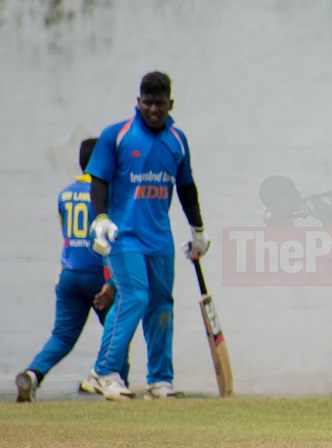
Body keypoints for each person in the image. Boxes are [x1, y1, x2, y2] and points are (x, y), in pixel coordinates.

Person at [86, 71, 210, 401]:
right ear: (138, 102)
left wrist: (198, 230)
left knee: (161, 305)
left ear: (171, 104)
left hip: (160, 239)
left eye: (160, 104)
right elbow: (99, 180)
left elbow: (186, 188)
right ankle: (104, 372)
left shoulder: (177, 140)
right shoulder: (117, 135)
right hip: (124, 235)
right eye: (148, 103)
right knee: (135, 296)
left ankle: (160, 382)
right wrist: (101, 218)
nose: (153, 109)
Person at [15, 138, 128, 403]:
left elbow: (66, 234)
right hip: (99, 275)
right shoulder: (105, 193)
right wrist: (111, 280)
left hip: (68, 275)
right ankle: (117, 381)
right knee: (118, 330)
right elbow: (107, 240)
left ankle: (33, 374)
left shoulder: (65, 194)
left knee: (62, 336)